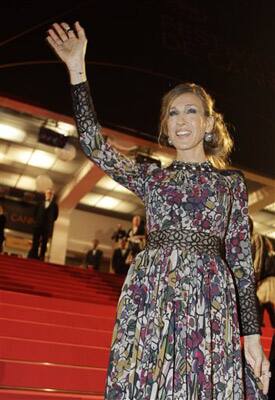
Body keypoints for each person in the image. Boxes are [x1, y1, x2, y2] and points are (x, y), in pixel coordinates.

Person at [47, 21, 270, 398]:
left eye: (191, 112)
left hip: (210, 299)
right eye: (172, 114)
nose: (181, 120)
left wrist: (251, 336)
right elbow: (94, 144)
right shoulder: (152, 178)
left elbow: (242, 267)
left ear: (208, 124)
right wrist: (76, 70)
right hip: (152, 293)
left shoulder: (229, 183)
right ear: (165, 128)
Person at [28, 188, 59, 261]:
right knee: (35, 240)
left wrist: (49, 222)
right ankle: (34, 255)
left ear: (53, 196)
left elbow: (55, 216)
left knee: (44, 242)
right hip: (38, 225)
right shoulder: (39, 203)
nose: (49, 194)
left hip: (47, 227)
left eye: (51, 193)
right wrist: (38, 221)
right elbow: (35, 213)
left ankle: (42, 256)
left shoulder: (55, 205)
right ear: (45, 194)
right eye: (48, 193)